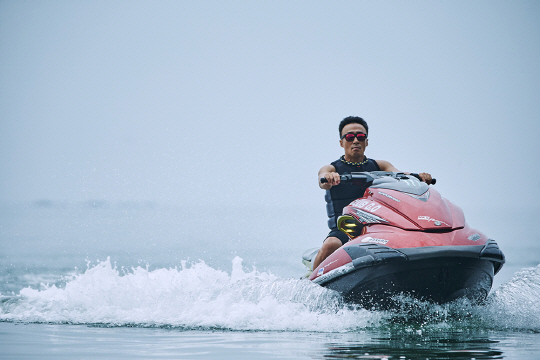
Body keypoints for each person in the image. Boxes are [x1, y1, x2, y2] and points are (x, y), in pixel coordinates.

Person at [313, 116, 432, 270]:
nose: (355, 140)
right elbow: (322, 178)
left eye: (361, 136)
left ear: (366, 142)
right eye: (349, 137)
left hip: (377, 226)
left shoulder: (380, 165)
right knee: (331, 244)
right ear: (341, 142)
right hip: (346, 228)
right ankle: (308, 284)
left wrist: (418, 177)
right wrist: (328, 178)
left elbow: (401, 174)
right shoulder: (332, 169)